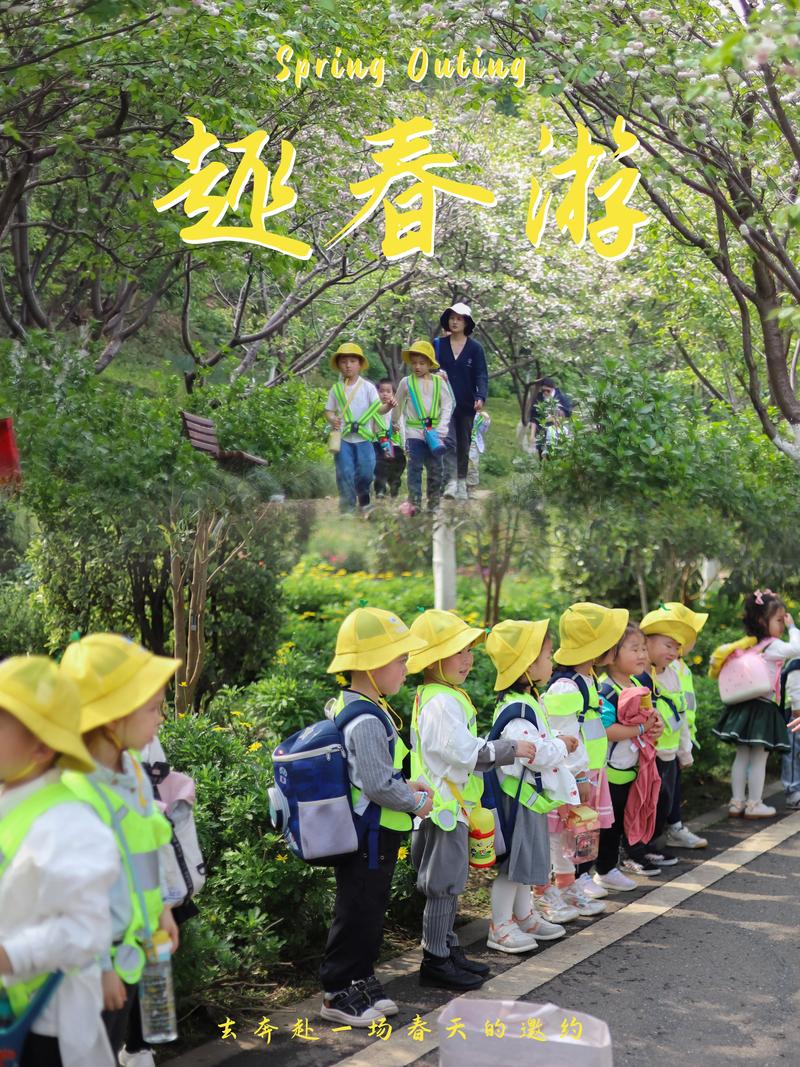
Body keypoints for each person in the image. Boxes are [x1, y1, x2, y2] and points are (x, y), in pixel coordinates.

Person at [60, 634, 181, 1064]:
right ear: (111, 719)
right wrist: (102, 966)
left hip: (135, 952)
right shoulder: (76, 791)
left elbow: (146, 844)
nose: (161, 719)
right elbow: (75, 892)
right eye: (152, 709)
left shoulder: (130, 767)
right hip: (98, 968)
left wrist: (162, 909)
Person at [0, 655, 119, 1067]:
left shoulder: (71, 823)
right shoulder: (9, 798)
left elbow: (88, 928)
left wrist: (10, 955)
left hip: (46, 1032)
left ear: (41, 746)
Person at [408, 609, 536, 990]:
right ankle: (435, 959)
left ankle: (447, 948)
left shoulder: (442, 696)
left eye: (469, 650)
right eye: (458, 651)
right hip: (443, 811)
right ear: (433, 659)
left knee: (449, 884)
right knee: (443, 886)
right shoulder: (441, 702)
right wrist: (510, 748)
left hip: (449, 808)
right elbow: (466, 752)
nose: (468, 659)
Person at [318, 608, 432, 1026]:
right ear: (370, 664)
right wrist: (416, 802)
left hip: (374, 831)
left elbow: (380, 776)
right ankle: (336, 991)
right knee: (358, 908)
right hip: (368, 834)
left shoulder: (366, 706)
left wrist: (407, 787)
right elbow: (378, 786)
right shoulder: (365, 716)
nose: (406, 667)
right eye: (399, 659)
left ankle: (360, 978)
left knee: (370, 907)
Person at [484, 620, 580, 953]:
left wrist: (556, 741)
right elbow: (533, 754)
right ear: (527, 664)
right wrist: (563, 745)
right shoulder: (518, 711)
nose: (551, 662)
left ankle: (524, 916)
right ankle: (500, 926)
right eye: (547, 655)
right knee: (514, 865)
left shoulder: (525, 701)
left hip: (527, 798)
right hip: (518, 798)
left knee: (525, 862)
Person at [540, 602, 628, 920]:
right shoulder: (567, 686)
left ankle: (570, 887)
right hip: (573, 776)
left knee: (577, 834)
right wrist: (578, 776)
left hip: (590, 772)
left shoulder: (586, 679)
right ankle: (550, 893)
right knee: (560, 835)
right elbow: (565, 737)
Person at [712, 590, 800, 818]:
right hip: (762, 707)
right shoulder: (774, 645)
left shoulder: (749, 645)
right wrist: (792, 628)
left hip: (743, 706)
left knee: (742, 756)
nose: (782, 624)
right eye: (779, 620)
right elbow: (797, 649)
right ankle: (754, 804)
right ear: (763, 621)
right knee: (759, 758)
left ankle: (736, 802)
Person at [595, 625, 663, 890]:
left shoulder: (638, 684)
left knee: (624, 819)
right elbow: (607, 730)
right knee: (607, 826)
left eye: (644, 648)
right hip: (610, 770)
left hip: (633, 768)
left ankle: (610, 867)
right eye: (634, 649)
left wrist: (655, 725)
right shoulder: (606, 690)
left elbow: (649, 719)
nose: (643, 655)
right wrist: (643, 729)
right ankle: (603, 869)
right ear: (612, 653)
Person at [655, 603, 710, 849]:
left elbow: (683, 708)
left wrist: (686, 743)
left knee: (672, 791)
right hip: (664, 745)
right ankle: (667, 831)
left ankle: (673, 827)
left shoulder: (679, 668)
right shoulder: (662, 669)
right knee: (663, 794)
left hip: (678, 741)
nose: (691, 641)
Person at [325, 343, 390, 516]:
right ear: (339, 365)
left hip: (364, 439)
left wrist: (389, 406)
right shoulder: (336, 389)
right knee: (344, 472)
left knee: (366, 473)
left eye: (352, 361)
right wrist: (332, 419)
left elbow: (379, 409)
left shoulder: (368, 387)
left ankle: (364, 497)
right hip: (344, 439)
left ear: (359, 364)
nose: (348, 365)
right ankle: (347, 509)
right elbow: (329, 410)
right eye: (344, 361)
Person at [434, 302, 487, 502]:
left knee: (464, 444)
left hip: (466, 404)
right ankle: (449, 482)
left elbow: (481, 374)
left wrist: (480, 396)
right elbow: (426, 369)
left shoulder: (475, 349)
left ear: (466, 323)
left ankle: (462, 482)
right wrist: (435, 373)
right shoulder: (438, 344)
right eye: (452, 318)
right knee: (448, 441)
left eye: (459, 319)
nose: (455, 322)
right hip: (442, 403)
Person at [392, 341, 453, 513]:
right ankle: (415, 503)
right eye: (414, 363)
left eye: (422, 363)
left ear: (429, 364)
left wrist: (442, 428)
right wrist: (395, 422)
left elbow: (448, 405)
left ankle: (434, 503)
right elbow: (397, 404)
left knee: (436, 468)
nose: (417, 366)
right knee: (414, 467)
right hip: (413, 432)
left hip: (434, 434)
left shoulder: (439, 383)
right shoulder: (406, 382)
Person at [372, 379, 406, 499]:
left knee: (399, 463)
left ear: (394, 394)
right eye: (381, 391)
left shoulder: (396, 410)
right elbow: (369, 427)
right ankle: (380, 489)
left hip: (394, 444)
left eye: (388, 391)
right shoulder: (374, 409)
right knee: (380, 466)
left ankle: (394, 484)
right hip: (378, 443)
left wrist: (404, 444)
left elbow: (401, 426)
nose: (385, 394)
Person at [528, 377, 573, 455]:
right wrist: (532, 435)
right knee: (541, 454)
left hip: (557, 432)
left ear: (553, 389)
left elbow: (568, 413)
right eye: (543, 390)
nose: (545, 393)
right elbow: (533, 418)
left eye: (548, 390)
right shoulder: (539, 398)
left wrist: (557, 416)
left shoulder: (561, 398)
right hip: (541, 431)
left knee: (556, 454)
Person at [466, 408, 491, 495]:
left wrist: (486, 419)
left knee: (472, 464)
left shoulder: (478, 417)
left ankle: (471, 488)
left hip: (473, 442)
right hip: (460, 441)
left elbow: (483, 430)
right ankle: (458, 486)